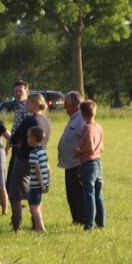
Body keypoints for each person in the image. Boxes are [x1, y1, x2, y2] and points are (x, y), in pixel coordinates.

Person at [7, 93, 46, 231]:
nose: (26, 105)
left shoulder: (29, 120)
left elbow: (14, 138)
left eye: (28, 103)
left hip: (24, 158)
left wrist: (18, 142)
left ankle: (16, 225)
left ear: (35, 103)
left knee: (15, 193)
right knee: (35, 191)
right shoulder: (46, 121)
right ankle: (37, 224)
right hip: (40, 158)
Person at [74, 100, 105, 230]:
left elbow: (90, 148)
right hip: (98, 162)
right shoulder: (98, 126)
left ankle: (89, 224)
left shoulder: (87, 128)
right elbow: (100, 148)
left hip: (88, 163)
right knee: (98, 193)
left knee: (89, 194)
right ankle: (101, 222)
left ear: (82, 113)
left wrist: (78, 152)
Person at [57, 91, 86, 224]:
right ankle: (76, 218)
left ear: (75, 104)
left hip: (77, 163)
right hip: (69, 163)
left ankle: (81, 219)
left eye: (66, 104)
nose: (64, 107)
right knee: (71, 194)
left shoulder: (81, 118)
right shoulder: (74, 117)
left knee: (77, 194)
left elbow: (86, 138)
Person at [26, 126, 51, 232]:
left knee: (34, 208)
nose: (27, 139)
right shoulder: (43, 151)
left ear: (34, 138)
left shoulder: (33, 154)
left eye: (28, 137)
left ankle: (41, 229)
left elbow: (37, 170)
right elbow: (48, 168)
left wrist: (41, 185)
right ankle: (38, 228)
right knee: (38, 205)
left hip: (36, 184)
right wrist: (47, 182)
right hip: (44, 182)